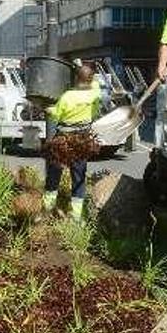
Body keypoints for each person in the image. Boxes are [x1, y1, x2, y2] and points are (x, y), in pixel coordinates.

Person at [43, 65, 101, 221]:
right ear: (90, 79)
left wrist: (47, 108)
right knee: (79, 177)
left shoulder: (68, 96)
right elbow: (95, 82)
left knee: (54, 174)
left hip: (63, 141)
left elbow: (56, 115)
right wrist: (85, 71)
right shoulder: (95, 94)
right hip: (82, 141)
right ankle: (76, 216)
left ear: (76, 79)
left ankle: (48, 209)